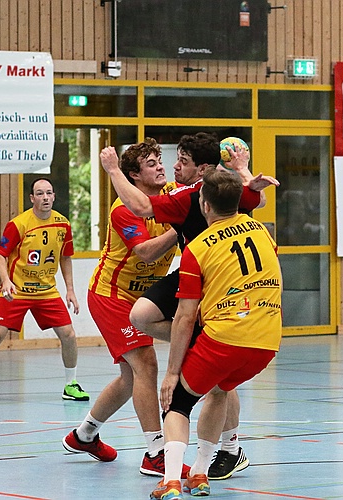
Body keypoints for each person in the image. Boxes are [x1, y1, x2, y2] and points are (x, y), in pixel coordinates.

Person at [99, 132, 279, 479]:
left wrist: (112, 169)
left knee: (220, 383)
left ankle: (230, 448)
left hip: (218, 280)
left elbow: (142, 207)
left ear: (203, 169)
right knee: (141, 315)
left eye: (182, 160)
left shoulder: (198, 195)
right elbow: (257, 198)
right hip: (196, 270)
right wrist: (246, 173)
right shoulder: (203, 191)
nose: (173, 166)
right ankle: (200, 342)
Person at [150, 166, 283, 499]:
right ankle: (199, 473)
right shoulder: (263, 232)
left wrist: (171, 372)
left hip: (226, 337)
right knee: (220, 389)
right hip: (267, 341)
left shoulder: (198, 248)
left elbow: (184, 317)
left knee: (177, 403)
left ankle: (170, 481)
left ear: (204, 205)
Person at [61, 138, 189, 478]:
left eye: (160, 160)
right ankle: (155, 453)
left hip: (143, 297)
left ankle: (84, 435)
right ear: (134, 175)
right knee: (146, 364)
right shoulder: (124, 209)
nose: (161, 167)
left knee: (131, 377)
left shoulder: (171, 194)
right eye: (151, 164)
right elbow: (145, 253)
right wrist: (182, 226)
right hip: (112, 297)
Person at [0, 178, 89, 404]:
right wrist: (6, 281)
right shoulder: (18, 224)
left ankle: (71, 384)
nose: (45, 197)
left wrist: (70, 289)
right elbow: (0, 254)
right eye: (40, 193)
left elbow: (65, 257)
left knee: (68, 335)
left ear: (54, 196)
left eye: (48, 193)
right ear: (32, 198)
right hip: (17, 290)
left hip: (46, 291)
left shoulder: (63, 224)